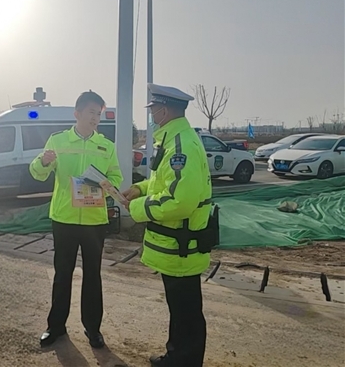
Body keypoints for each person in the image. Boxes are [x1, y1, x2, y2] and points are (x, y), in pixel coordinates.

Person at [123, 84, 214, 367]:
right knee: (182, 310)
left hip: (180, 247)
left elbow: (179, 201)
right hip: (177, 246)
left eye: (153, 110)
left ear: (163, 111)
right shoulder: (175, 139)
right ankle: (176, 356)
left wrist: (137, 208)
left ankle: (183, 361)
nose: (152, 116)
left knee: (186, 312)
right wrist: (140, 189)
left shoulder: (180, 145)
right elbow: (163, 183)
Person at [29, 91, 123, 349]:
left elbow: (116, 177)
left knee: (93, 275)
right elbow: (38, 173)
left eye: (98, 114)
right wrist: (43, 161)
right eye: (91, 112)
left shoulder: (106, 146)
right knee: (63, 273)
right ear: (77, 113)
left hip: (94, 220)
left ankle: (93, 329)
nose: (95, 118)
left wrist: (105, 186)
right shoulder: (58, 140)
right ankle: (56, 326)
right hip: (65, 219)